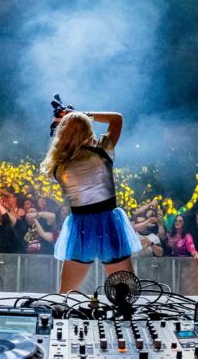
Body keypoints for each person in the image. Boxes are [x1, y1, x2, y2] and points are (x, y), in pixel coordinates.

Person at [41, 109, 140, 293]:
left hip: (81, 229)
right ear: (88, 130)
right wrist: (82, 113)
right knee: (126, 293)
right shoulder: (102, 151)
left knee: (65, 294)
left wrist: (63, 127)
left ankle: (63, 311)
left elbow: (61, 148)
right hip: (109, 224)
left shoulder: (57, 167)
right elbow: (117, 119)